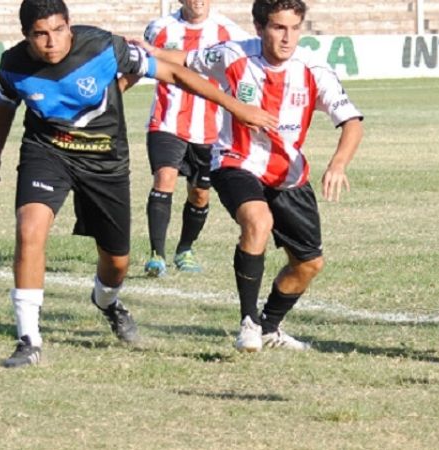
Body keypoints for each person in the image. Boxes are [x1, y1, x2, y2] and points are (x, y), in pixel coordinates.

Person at [0, 0, 276, 368]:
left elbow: (174, 74)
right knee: (30, 228)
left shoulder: (104, 47)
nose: (51, 41)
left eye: (58, 30)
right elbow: (3, 108)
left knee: (117, 263)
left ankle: (107, 303)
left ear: (69, 26)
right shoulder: (14, 65)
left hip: (105, 162)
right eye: (40, 34)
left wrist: (236, 106)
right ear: (26, 37)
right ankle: (28, 339)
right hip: (48, 153)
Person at [140, 0, 363, 351]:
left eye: (294, 28)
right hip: (235, 161)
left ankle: (270, 326)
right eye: (277, 27)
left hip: (288, 173)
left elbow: (351, 121)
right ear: (259, 28)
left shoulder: (314, 69)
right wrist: (149, 51)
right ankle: (248, 322)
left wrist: (338, 163)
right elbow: (187, 61)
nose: (287, 37)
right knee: (257, 222)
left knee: (309, 264)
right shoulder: (233, 55)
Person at [137, 0, 251, 276]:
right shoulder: (159, 28)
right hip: (166, 120)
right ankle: (157, 255)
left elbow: (244, 74)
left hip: (211, 127)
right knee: (164, 178)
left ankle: (184, 249)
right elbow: (142, 65)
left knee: (199, 193)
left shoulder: (230, 32)